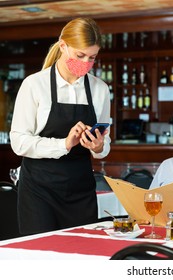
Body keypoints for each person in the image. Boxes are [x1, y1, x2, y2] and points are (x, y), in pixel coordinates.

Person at [9, 18, 111, 235]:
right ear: (63, 46)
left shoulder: (100, 89)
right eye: (80, 55)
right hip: (39, 192)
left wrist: (98, 146)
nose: (85, 62)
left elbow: (106, 144)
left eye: (92, 57)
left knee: (82, 257)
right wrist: (64, 144)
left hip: (81, 190)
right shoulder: (35, 85)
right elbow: (19, 142)